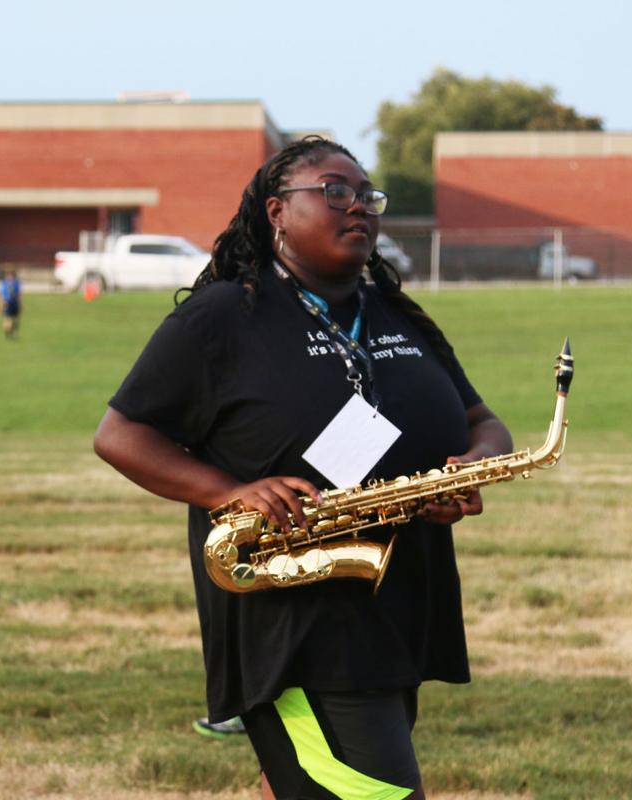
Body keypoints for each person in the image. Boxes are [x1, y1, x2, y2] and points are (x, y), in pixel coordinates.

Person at [93, 137, 514, 800]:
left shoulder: (396, 313)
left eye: (367, 195)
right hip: (294, 617)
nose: (358, 207)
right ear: (277, 212)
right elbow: (120, 435)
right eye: (335, 192)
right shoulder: (223, 316)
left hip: (398, 606)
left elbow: (483, 422)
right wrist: (231, 491)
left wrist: (471, 468)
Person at [0, 268, 22, 338]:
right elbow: (1, 294)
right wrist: (1, 304)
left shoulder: (10, 283)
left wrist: (20, 303)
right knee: (9, 318)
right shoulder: (7, 283)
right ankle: (10, 332)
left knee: (14, 318)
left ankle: (11, 332)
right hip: (9, 302)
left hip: (12, 302)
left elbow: (19, 294)